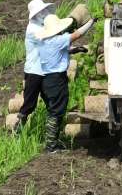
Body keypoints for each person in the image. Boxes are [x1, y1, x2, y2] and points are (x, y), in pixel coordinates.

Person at [35, 14, 94, 153]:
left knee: (53, 110)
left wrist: (74, 50)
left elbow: (58, 53)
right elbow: (77, 34)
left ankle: (53, 142)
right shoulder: (57, 40)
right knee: (56, 112)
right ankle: (51, 146)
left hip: (45, 79)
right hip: (56, 80)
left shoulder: (43, 41)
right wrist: (91, 22)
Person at [15, 0, 55, 134]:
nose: (44, 13)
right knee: (29, 103)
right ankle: (18, 131)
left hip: (44, 71)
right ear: (36, 14)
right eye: (41, 11)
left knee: (51, 102)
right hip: (34, 72)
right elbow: (51, 41)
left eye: (44, 10)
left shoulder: (42, 26)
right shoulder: (33, 29)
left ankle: (52, 135)